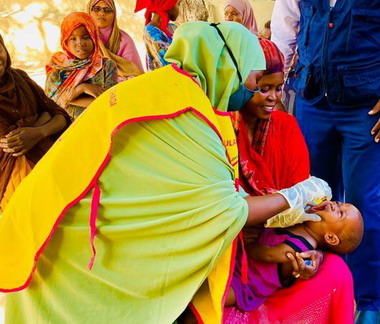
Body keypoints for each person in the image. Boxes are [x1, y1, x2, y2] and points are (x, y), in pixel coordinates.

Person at [0, 22, 330, 324]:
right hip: (64, 241)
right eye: (255, 78)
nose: (257, 89)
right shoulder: (183, 111)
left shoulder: (173, 90)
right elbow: (225, 211)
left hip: (61, 220)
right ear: (229, 67)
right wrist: (295, 195)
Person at [271, 1, 380, 322]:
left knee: (364, 206)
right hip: (312, 100)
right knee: (311, 203)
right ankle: (318, 289)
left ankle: (368, 303)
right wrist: (274, 93)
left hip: (366, 108)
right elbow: (284, 34)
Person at [226, 200, 363, 313]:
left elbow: (268, 255)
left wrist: (248, 244)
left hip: (246, 284)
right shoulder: (301, 220)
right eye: (339, 203)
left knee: (217, 297)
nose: (334, 205)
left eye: (339, 213)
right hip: (239, 260)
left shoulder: (301, 249)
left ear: (331, 238)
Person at [0, 34, 70, 212]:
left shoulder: (20, 78)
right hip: (13, 176)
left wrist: (40, 132)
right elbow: (11, 143)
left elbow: (60, 114)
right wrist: (43, 118)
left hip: (52, 159)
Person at [45, 12, 118, 119]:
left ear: (94, 38)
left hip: (100, 121)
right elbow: (51, 103)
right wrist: (82, 88)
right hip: (65, 127)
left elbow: (109, 102)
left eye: (86, 37)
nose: (80, 43)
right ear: (65, 41)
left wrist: (69, 99)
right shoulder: (58, 67)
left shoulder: (106, 66)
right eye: (73, 38)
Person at [87, 0, 144, 80]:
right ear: (89, 11)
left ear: (114, 15)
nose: (102, 13)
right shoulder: (83, 36)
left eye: (107, 10)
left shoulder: (124, 39)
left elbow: (135, 74)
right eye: (96, 8)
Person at [135, 0, 180, 71]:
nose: (179, 9)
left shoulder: (174, 27)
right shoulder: (151, 31)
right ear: (167, 4)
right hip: (164, 77)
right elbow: (165, 60)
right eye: (178, 4)